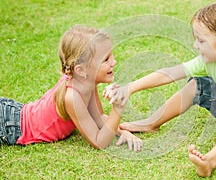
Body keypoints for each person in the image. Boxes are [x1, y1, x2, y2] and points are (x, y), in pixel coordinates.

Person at [104, 1, 216, 176]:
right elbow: (169, 73)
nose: (195, 45)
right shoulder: (210, 61)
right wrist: (130, 88)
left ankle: (210, 161)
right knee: (198, 84)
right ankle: (151, 123)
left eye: (200, 41)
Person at [0, 25, 142, 152]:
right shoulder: (72, 97)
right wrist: (117, 109)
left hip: (13, 112)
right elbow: (99, 142)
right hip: (10, 126)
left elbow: (98, 118)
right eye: (106, 59)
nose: (114, 62)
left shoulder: (86, 82)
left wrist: (123, 132)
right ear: (81, 70)